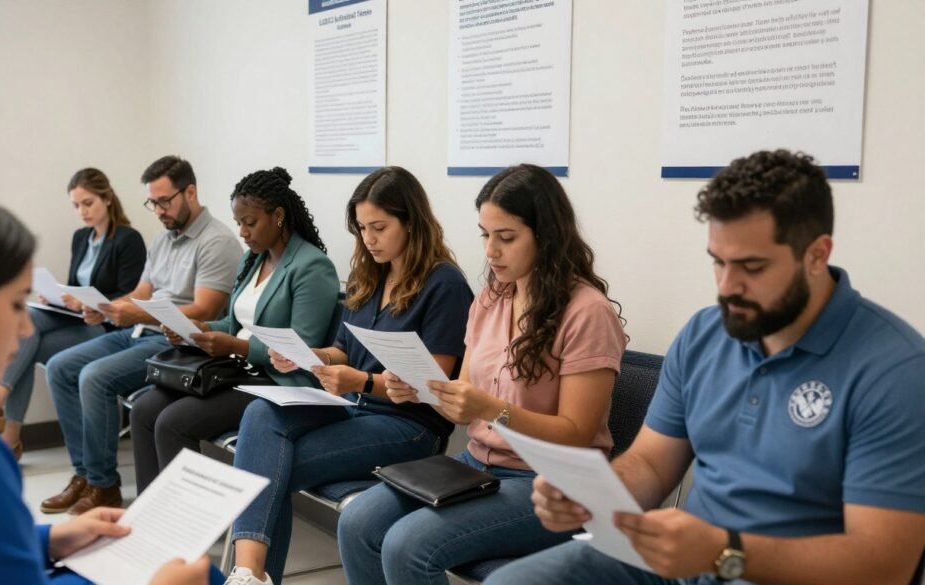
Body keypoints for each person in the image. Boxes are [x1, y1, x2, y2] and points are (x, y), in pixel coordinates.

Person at [484, 150, 925, 585]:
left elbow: (883, 566)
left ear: (816, 254)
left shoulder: (894, 370)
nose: (727, 287)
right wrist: (588, 493)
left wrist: (724, 551)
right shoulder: (705, 334)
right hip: (688, 558)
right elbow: (652, 467)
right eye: (718, 262)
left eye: (752, 267)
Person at [0, 189, 217, 585]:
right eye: (17, 304)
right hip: (132, 330)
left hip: (153, 337)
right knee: (202, 571)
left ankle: (97, 481)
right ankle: (96, 479)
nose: (26, 327)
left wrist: (48, 539)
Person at [335, 164, 628, 585]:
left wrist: (494, 409)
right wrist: (417, 390)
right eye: (485, 235)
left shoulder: (587, 312)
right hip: (479, 464)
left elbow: (577, 433)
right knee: (358, 522)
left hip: (551, 483)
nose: (490, 251)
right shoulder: (492, 297)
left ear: (547, 235)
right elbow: (461, 405)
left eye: (506, 237)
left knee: (408, 545)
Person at [221, 166, 475, 585]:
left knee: (270, 467)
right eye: (361, 229)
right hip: (351, 409)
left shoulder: (444, 284)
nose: (369, 239)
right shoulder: (368, 274)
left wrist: (359, 382)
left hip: (408, 425)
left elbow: (434, 386)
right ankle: (250, 572)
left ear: (411, 222)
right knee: (260, 415)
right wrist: (307, 357)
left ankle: (251, 574)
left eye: (379, 227)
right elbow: (341, 350)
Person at [43, 155, 242, 516]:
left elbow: (205, 311)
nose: (159, 210)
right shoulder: (163, 239)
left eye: (165, 201)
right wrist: (107, 307)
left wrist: (133, 311)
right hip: (137, 331)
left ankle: (103, 486)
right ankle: (84, 476)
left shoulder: (218, 241)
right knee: (60, 367)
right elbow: (142, 291)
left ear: (191, 192)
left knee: (94, 377)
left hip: (174, 341)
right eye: (153, 202)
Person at [130, 167, 339, 492]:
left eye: (250, 222)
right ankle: (150, 523)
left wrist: (236, 346)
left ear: (278, 216)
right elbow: (233, 324)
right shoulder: (252, 260)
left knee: (173, 422)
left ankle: (185, 532)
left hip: (275, 380)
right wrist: (197, 329)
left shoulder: (311, 266)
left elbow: (303, 348)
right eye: (238, 222)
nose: (242, 231)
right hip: (233, 370)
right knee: (144, 409)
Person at [0, 167, 146, 457]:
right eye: (75, 205)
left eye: (88, 203)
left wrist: (85, 302)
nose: (82, 211)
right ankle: (8, 436)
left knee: (27, 334)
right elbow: (74, 286)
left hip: (108, 327)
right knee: (30, 329)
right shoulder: (81, 238)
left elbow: (130, 298)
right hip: (76, 320)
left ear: (106, 199)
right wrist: (57, 298)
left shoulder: (128, 240)